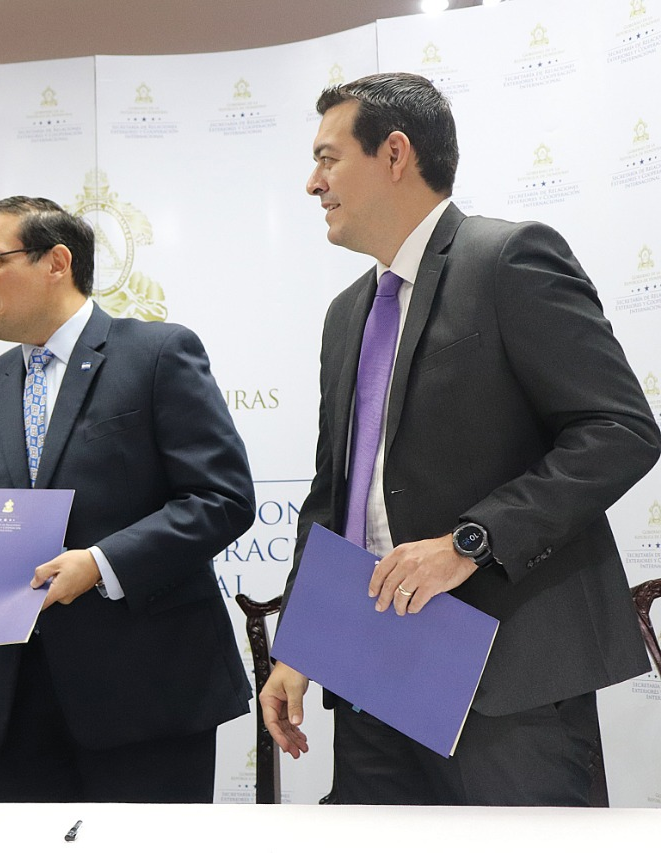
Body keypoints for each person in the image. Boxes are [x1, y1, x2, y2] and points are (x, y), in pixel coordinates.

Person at [261, 73, 661, 806]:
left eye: (327, 157)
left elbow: (620, 429)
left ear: (394, 154)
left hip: (505, 680)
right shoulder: (346, 313)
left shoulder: (510, 258)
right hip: (368, 673)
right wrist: (300, 641)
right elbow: (333, 496)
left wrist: (469, 541)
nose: (312, 183)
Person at [0, 196, 256, 803]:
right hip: (12, 703)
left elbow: (221, 497)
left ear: (57, 261)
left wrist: (101, 564)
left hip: (144, 696)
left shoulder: (158, 355)